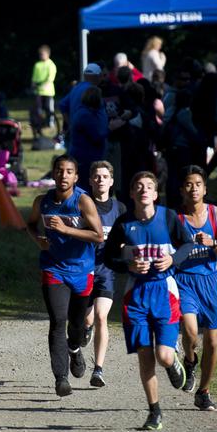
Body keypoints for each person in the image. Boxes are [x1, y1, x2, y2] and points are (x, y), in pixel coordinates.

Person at [103, 171, 194, 431]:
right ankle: (154, 412)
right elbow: (109, 258)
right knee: (145, 357)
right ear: (131, 193)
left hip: (165, 293)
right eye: (138, 186)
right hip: (135, 296)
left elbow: (187, 245)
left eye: (149, 187)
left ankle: (173, 362)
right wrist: (128, 263)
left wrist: (173, 260)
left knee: (163, 356)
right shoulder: (123, 223)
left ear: (156, 193)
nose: (144, 190)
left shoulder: (168, 217)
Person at [26, 155, 103, 396]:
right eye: (59, 170)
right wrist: (37, 239)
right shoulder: (42, 201)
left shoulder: (83, 201)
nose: (63, 175)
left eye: (69, 171)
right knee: (58, 321)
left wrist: (67, 229)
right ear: (53, 174)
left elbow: (98, 235)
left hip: (81, 270)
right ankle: (61, 378)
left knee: (77, 326)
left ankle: (75, 349)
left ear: (76, 177)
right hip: (53, 268)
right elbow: (29, 225)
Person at [175, 166, 217, 412]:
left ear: (205, 189)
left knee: (212, 341)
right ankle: (189, 360)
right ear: (182, 190)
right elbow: (171, 255)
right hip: (184, 280)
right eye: (189, 184)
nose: (194, 188)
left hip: (211, 281)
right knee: (189, 331)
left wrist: (213, 243)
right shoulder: (174, 220)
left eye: (198, 183)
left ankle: (204, 392)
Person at [84, 161, 125, 388]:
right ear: (90, 181)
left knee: (101, 316)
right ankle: (85, 330)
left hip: (106, 271)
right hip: (84, 270)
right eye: (96, 177)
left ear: (111, 181)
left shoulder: (120, 209)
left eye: (104, 177)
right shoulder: (83, 205)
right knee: (86, 319)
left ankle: (98, 369)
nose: (100, 180)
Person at [69, 86, 110, 192]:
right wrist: (110, 127)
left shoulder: (83, 112)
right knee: (86, 189)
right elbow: (98, 135)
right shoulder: (85, 115)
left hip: (82, 155)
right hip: (86, 158)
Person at [58, 63, 102, 129]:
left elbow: (61, 104)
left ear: (84, 75)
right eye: (101, 76)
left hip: (76, 133)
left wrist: (70, 124)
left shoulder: (76, 88)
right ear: (97, 76)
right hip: (88, 132)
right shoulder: (93, 91)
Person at [30, 45, 58, 138]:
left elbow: (50, 78)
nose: (41, 56)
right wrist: (34, 85)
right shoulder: (37, 65)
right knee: (38, 110)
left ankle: (50, 123)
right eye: (40, 54)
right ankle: (39, 124)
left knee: (49, 109)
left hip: (48, 92)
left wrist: (43, 85)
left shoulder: (51, 64)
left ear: (48, 54)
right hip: (38, 92)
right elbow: (34, 78)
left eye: (43, 54)